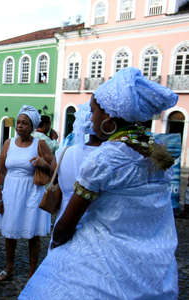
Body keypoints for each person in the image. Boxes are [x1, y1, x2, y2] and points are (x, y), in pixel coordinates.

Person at [20, 67, 179, 299]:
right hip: (151, 268)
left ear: (109, 118)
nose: (91, 118)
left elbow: (67, 223)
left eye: (94, 112)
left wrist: (58, 247)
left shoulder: (106, 158)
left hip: (99, 266)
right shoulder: (156, 153)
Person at [0, 105, 53, 281]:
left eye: (24, 123)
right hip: (11, 191)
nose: (19, 126)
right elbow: (2, 170)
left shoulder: (39, 144)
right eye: (18, 122)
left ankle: (33, 271)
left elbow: (54, 170)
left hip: (32, 192)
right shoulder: (8, 143)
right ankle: (9, 267)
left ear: (32, 126)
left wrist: (43, 164)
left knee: (32, 233)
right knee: (9, 232)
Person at [54, 102, 102, 224]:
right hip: (96, 222)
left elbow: (54, 179)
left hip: (64, 218)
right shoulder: (110, 157)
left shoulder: (62, 152)